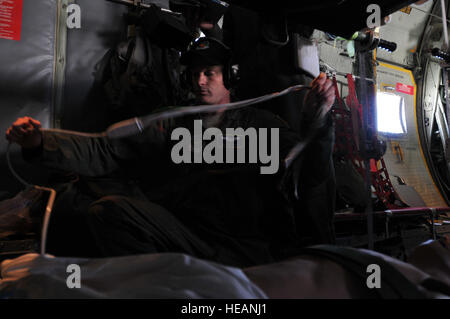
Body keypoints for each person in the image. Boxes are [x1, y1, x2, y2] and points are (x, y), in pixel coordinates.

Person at [5, 37, 335, 268]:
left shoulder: (263, 126)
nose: (200, 81)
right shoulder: (172, 125)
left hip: (245, 248)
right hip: (187, 239)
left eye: (209, 73)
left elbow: (310, 172)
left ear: (230, 76)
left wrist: (317, 120)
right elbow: (105, 149)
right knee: (108, 212)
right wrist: (39, 143)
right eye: (194, 74)